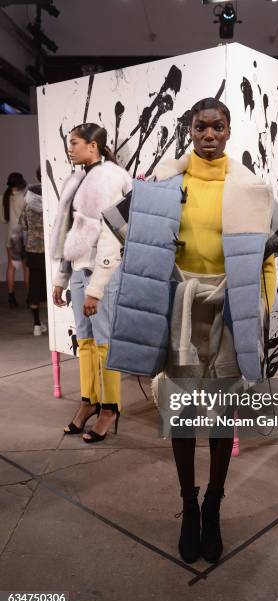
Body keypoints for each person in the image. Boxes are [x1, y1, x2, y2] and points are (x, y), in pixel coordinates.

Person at [102, 98, 278, 564]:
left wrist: (259, 291)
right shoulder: (165, 186)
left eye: (218, 126)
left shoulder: (250, 188)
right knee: (185, 413)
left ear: (229, 131)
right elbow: (122, 227)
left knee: (223, 412)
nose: (209, 135)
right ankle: (189, 506)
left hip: (229, 307)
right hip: (182, 310)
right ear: (189, 131)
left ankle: (213, 503)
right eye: (200, 127)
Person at [50, 123, 132, 443]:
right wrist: (61, 278)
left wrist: (96, 288)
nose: (69, 147)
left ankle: (110, 409)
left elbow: (113, 235)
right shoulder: (77, 177)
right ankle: (89, 402)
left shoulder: (111, 177)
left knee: (105, 343)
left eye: (74, 142)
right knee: (84, 342)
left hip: (104, 273)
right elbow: (70, 232)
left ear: (93, 146)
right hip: (80, 271)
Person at [19, 168, 48, 335]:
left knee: (35, 284)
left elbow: (24, 225)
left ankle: (37, 324)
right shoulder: (54, 198)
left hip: (33, 247)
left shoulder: (28, 200)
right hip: (51, 248)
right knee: (56, 284)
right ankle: (56, 323)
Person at [0, 172, 29, 307]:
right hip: (23, 235)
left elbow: (3, 219)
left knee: (11, 267)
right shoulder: (25, 196)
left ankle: (11, 297)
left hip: (10, 235)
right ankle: (30, 297)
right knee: (26, 268)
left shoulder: (3, 197)